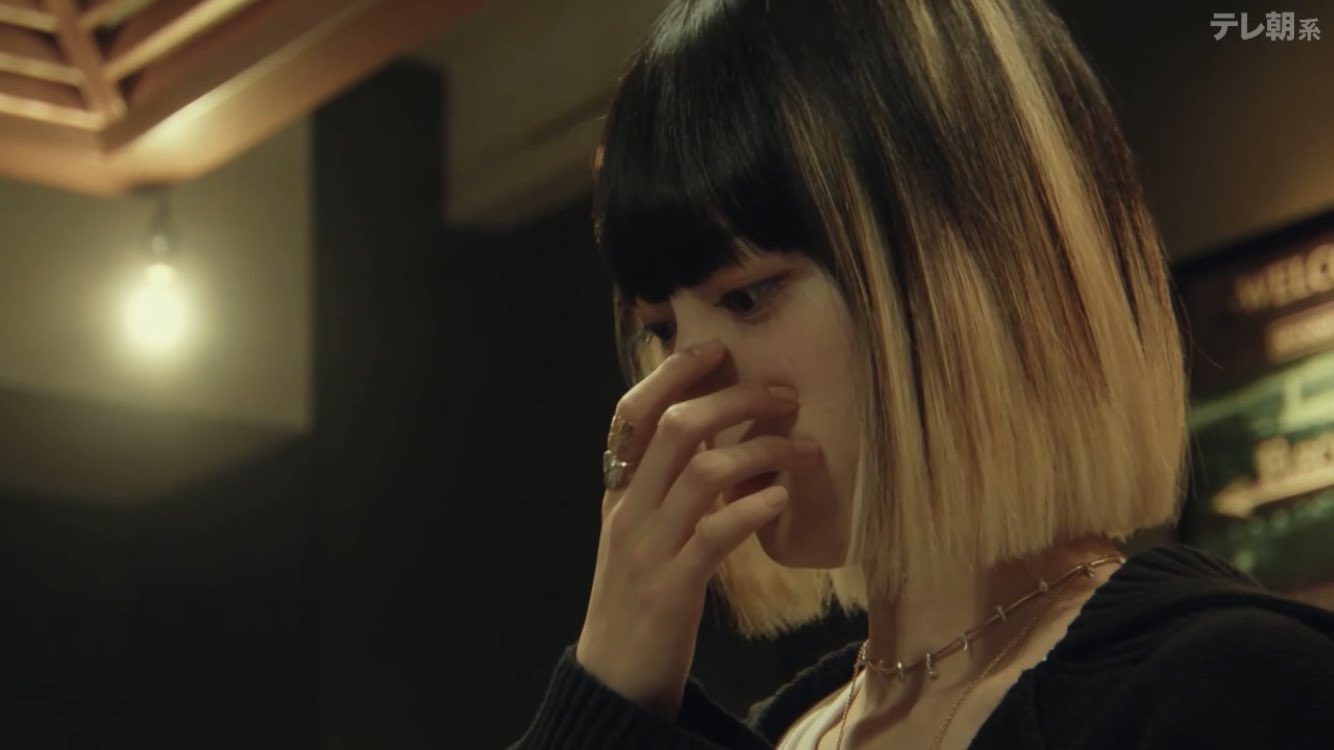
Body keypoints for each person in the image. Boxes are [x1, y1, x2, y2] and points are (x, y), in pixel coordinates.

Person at [510, 0, 1334, 748]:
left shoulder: (1233, 689)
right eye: (661, 329)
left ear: (958, 263)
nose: (688, 391)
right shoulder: (792, 730)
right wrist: (602, 698)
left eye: (748, 296)